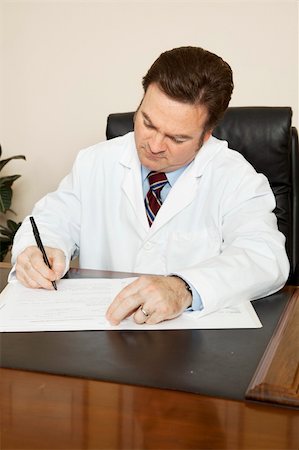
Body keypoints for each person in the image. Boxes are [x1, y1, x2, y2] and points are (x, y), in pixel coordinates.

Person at [11, 46, 289, 325]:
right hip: (104, 337)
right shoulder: (94, 163)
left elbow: (265, 257)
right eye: (148, 123)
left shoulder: (235, 178)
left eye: (177, 138)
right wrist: (38, 253)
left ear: (206, 136)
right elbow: (51, 222)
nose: (154, 146)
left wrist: (183, 287)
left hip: (192, 345)